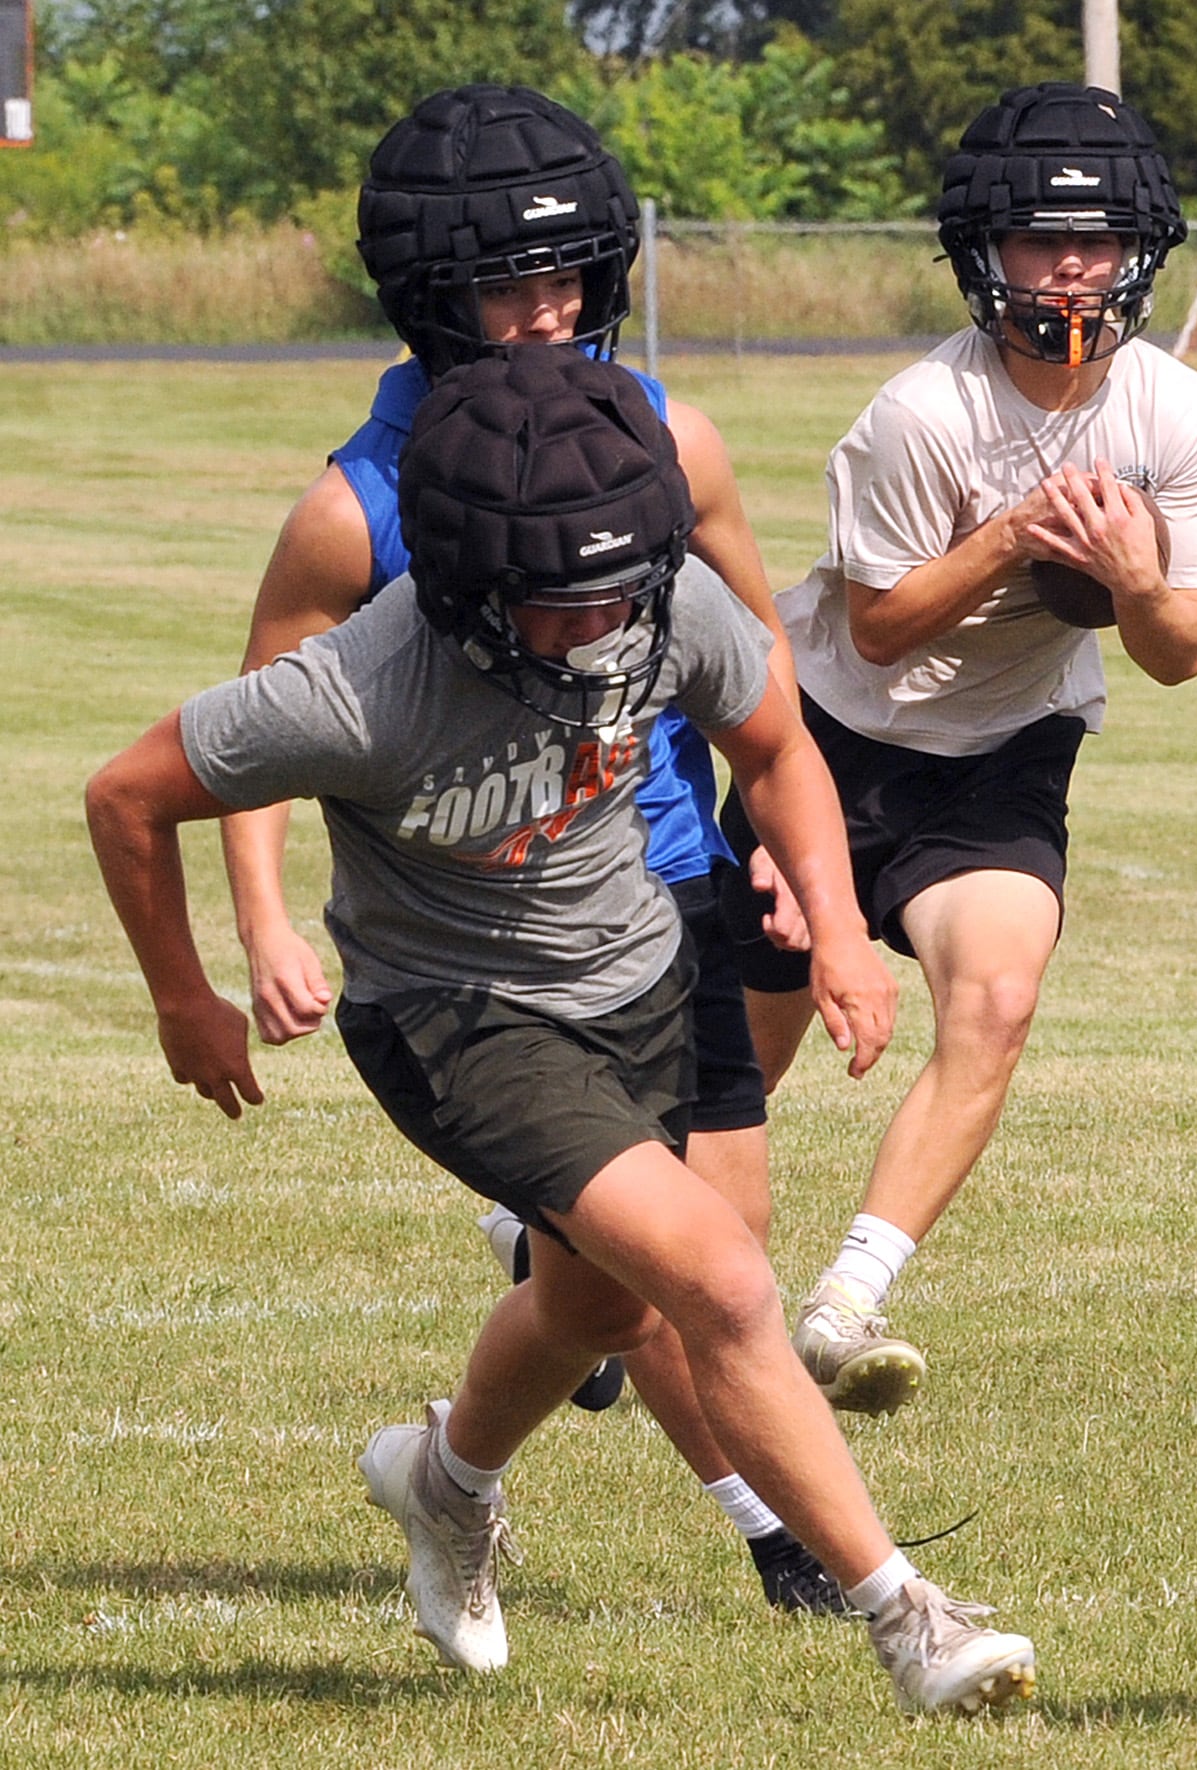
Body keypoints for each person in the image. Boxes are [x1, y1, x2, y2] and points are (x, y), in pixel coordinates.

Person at [85, 348, 1039, 1715]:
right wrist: (188, 993)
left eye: (618, 584)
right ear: (471, 584)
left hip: (640, 978)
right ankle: (909, 1619)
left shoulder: (656, 602)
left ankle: (444, 1477)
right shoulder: (359, 684)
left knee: (598, 1301)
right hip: (457, 1019)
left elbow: (773, 742)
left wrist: (832, 922)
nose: (598, 622)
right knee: (722, 1274)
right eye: (560, 598)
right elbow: (125, 795)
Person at [216, 85, 839, 1612]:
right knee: (681, 1266)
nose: (550, 312)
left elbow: (758, 649)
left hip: (666, 883)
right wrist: (262, 924)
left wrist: (786, 842)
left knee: (699, 1250)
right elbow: (247, 730)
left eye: (571, 277)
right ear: (435, 299)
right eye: (510, 284)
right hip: (475, 947)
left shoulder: (662, 440)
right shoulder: (357, 511)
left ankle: (469, 1440)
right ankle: (788, 1537)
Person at [719, 82, 1197, 1413]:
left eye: (1098, 237)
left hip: (1007, 742)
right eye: (1039, 238)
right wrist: (1013, 533)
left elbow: (1180, 651)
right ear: (983, 252)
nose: (1071, 265)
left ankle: (842, 1303)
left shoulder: (1180, 414)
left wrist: (1130, 578)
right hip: (830, 741)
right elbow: (881, 630)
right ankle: (573, 1251)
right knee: (739, 1061)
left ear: (1140, 248)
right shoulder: (921, 415)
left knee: (996, 1001)